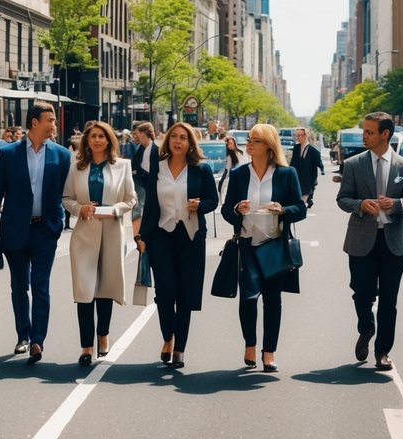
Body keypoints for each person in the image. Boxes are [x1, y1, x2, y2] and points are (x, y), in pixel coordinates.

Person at [0, 101, 72, 365]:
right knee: (19, 286)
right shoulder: (8, 154)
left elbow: (66, 192)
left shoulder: (62, 155)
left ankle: (37, 340)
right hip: (14, 229)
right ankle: (23, 335)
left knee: (41, 286)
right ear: (35, 122)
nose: (54, 125)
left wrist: (59, 223)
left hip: (46, 230)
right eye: (50, 120)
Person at [220, 123, 307, 373]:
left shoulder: (286, 173)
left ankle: (269, 352)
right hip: (247, 244)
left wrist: (283, 209)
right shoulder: (239, 175)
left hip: (274, 246)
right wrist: (237, 210)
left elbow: (300, 209)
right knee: (247, 299)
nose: (249, 144)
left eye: (255, 141)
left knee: (272, 300)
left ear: (268, 146)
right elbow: (227, 211)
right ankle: (250, 344)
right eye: (249, 139)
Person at [134, 122, 218, 370]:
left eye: (183, 137)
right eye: (174, 137)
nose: (178, 141)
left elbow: (213, 200)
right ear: (168, 140)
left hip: (190, 237)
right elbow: (150, 206)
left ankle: (180, 347)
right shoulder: (157, 169)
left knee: (185, 294)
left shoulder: (201, 169)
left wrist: (199, 205)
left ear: (190, 143)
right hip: (161, 234)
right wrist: (142, 237)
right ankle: (167, 337)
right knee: (165, 292)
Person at [336, 111, 403, 371]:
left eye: (369, 132)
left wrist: (395, 205)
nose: (364, 136)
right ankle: (366, 327)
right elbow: (343, 198)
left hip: (393, 241)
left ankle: (383, 351)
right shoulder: (354, 164)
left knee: (389, 300)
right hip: (361, 239)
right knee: (362, 292)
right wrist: (361, 204)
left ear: (385, 134)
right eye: (364, 131)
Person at [62, 121, 135, 366]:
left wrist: (116, 209)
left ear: (109, 140)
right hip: (84, 236)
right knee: (84, 291)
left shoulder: (123, 165)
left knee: (105, 288)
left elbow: (131, 199)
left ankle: (102, 336)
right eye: (93, 136)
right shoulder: (76, 167)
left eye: (102, 136)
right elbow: (66, 198)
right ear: (87, 140)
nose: (97, 140)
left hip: (112, 233)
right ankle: (86, 346)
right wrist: (79, 209)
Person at [129, 122, 159, 240]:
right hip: (140, 183)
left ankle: (139, 234)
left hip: (146, 184)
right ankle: (138, 234)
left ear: (143, 134)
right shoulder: (142, 148)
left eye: (137, 134)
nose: (136, 137)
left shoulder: (154, 150)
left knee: (139, 208)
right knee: (138, 208)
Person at [288, 127, 325, 208]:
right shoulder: (296, 148)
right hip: (298, 175)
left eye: (299, 136)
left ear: (305, 136)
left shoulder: (313, 151)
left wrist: (322, 169)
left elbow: (319, 162)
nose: (297, 138)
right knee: (299, 192)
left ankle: (303, 204)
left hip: (309, 177)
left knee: (305, 193)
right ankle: (308, 201)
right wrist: (289, 171)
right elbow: (293, 161)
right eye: (296, 136)